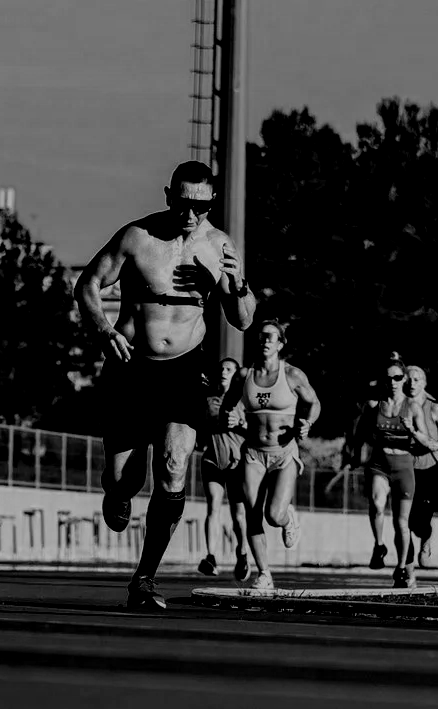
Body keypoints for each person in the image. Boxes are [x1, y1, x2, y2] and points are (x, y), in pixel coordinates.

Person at [76, 160, 256, 613]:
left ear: (212, 202)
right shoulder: (137, 237)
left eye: (201, 206)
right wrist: (103, 331)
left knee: (175, 465)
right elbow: (88, 285)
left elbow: (243, 319)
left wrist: (235, 284)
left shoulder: (219, 246)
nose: (190, 214)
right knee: (125, 479)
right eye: (182, 203)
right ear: (168, 196)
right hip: (132, 367)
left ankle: (144, 578)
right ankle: (117, 493)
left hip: (184, 370)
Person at [222, 317, 321, 595]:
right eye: (261, 336)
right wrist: (229, 419)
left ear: (280, 344)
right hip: (253, 453)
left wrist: (307, 423)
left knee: (273, 516)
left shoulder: (292, 375)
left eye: (271, 337)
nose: (265, 341)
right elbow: (227, 406)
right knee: (252, 516)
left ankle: (288, 518)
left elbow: (314, 403)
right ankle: (264, 574)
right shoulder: (244, 375)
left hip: (283, 453)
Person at [347, 357, 438, 584]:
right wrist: (356, 455)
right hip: (379, 464)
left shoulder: (413, 407)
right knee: (377, 503)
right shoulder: (373, 405)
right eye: (389, 378)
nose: (393, 382)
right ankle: (379, 546)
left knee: (401, 523)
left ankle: (402, 567)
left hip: (404, 467)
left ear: (403, 379)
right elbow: (360, 433)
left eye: (397, 377)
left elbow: (425, 441)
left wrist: (412, 430)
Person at [195, 357, 248, 580]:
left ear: (237, 375)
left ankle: (242, 553)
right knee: (213, 506)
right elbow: (200, 424)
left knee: (238, 514)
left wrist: (241, 423)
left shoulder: (244, 400)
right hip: (212, 459)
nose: (224, 372)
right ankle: (211, 557)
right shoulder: (209, 399)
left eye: (229, 369)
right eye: (222, 369)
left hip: (237, 462)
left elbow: (258, 429)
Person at [403, 365, 438, 569]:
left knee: (421, 522)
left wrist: (437, 445)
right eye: (408, 379)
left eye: (417, 380)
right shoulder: (398, 404)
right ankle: (407, 565)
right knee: (405, 519)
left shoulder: (433, 407)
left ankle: (426, 538)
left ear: (424, 384)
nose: (412, 383)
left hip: (429, 468)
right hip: (404, 467)